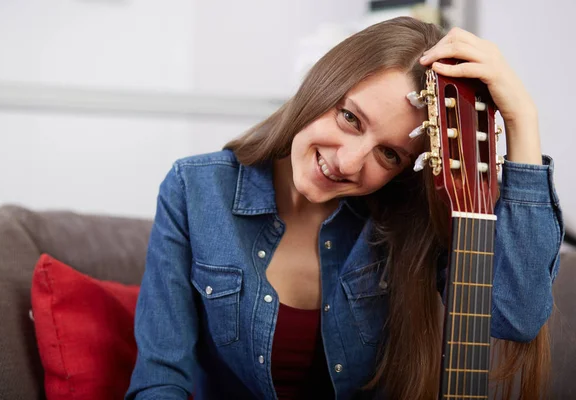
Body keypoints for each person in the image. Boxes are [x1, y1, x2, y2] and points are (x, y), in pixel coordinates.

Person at [125, 16, 564, 400]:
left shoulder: (409, 218)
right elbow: (160, 378)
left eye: (388, 155)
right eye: (350, 118)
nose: (348, 162)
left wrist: (523, 122)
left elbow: (516, 316)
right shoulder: (194, 190)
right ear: (322, 81)